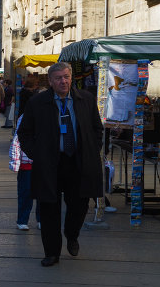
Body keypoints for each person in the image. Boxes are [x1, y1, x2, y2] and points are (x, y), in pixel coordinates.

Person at [18, 61, 104, 267]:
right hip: (50, 163)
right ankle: (52, 252)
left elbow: (96, 128)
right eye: (58, 78)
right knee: (49, 208)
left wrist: (92, 149)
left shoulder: (86, 99)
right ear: (50, 81)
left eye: (66, 77)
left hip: (78, 161)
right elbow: (24, 132)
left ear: (71, 78)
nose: (63, 81)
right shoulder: (38, 102)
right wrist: (37, 154)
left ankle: (71, 234)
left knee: (80, 204)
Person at [9, 113, 36, 230]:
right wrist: (15, 162)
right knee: (26, 193)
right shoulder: (26, 117)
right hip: (27, 162)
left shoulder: (52, 113)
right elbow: (17, 139)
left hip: (44, 162)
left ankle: (41, 219)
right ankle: (22, 220)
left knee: (44, 194)